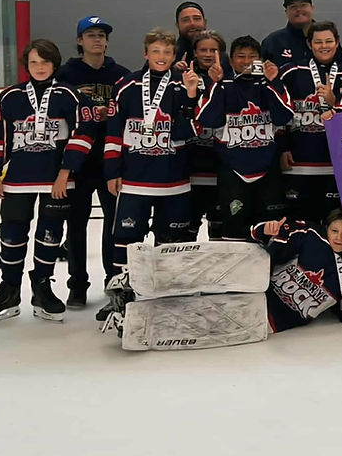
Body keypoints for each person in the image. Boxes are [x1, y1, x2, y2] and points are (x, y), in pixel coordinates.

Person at [0, 40, 92, 325]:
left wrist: (65, 173)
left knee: (49, 234)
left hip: (57, 181)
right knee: (13, 234)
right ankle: (9, 290)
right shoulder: (10, 96)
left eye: (45, 62)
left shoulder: (69, 95)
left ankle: (42, 287)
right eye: (34, 63)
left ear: (55, 64)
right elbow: (0, 137)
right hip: (18, 180)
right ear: (26, 66)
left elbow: (84, 134)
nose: (40, 68)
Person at [105, 29, 202, 279]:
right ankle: (121, 292)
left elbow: (185, 133)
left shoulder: (185, 84)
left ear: (174, 56)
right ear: (145, 53)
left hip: (174, 181)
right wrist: (112, 171)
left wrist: (191, 96)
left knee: (170, 242)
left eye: (167, 52)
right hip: (135, 180)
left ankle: (165, 293)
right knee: (126, 239)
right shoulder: (126, 85)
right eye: (156, 51)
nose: (161, 57)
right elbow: (114, 133)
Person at [55, 16, 130, 308]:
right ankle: (77, 284)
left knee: (113, 224)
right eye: (90, 35)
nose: (97, 40)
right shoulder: (66, 74)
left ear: (107, 41)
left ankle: (113, 280)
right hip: (78, 162)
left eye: (101, 35)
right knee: (76, 224)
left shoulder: (121, 74)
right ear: (79, 41)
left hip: (111, 162)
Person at [195, 35, 295, 240]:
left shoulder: (269, 83)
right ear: (230, 60)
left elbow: (285, 116)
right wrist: (215, 84)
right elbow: (207, 119)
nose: (247, 61)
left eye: (252, 56)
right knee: (234, 232)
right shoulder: (221, 84)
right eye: (241, 56)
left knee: (272, 232)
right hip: (233, 172)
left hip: (268, 171)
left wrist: (274, 81)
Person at [278, 22, 342, 222]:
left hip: (336, 166)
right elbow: (276, 112)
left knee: (334, 222)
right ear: (309, 44)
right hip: (298, 163)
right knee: (299, 221)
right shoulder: (290, 72)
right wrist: (282, 148)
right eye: (318, 42)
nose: (324, 46)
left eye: (329, 41)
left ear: (337, 42)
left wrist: (336, 103)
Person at [252, 209, 342, 332]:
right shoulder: (309, 234)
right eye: (334, 231)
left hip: (273, 325)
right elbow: (267, 245)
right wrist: (267, 230)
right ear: (326, 227)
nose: (339, 238)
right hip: (253, 297)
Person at [186, 30, 227, 241]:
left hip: (219, 163)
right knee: (188, 225)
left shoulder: (230, 78)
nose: (209, 54)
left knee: (219, 227)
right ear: (194, 52)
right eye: (203, 50)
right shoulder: (182, 77)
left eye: (214, 50)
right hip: (190, 163)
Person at [260, 0, 341, 68]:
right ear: (286, 12)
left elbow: (341, 69)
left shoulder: (328, 39)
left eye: (303, 5)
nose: (298, 9)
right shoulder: (273, 42)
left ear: (312, 8)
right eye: (293, 6)